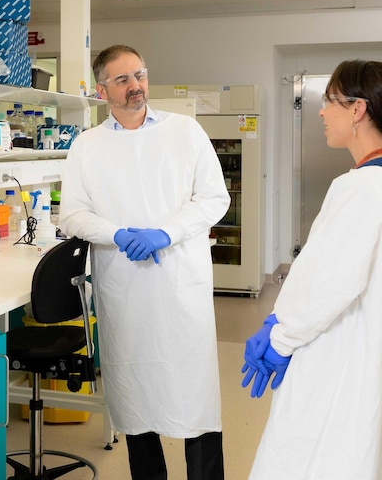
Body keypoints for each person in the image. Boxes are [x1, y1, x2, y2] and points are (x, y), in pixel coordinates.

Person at [241, 59, 382, 479]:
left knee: (314, 457)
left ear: (358, 110)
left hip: (338, 365)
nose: (322, 111)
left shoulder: (362, 188)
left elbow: (327, 286)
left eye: (330, 102)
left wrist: (280, 337)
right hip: (371, 364)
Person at [58, 44, 231, 480]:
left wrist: (166, 233)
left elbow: (215, 197)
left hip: (179, 284)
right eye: (122, 79)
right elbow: (72, 214)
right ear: (101, 90)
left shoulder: (184, 131)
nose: (135, 86)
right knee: (135, 399)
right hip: (124, 289)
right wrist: (115, 234)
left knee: (195, 397)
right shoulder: (87, 145)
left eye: (140, 75)